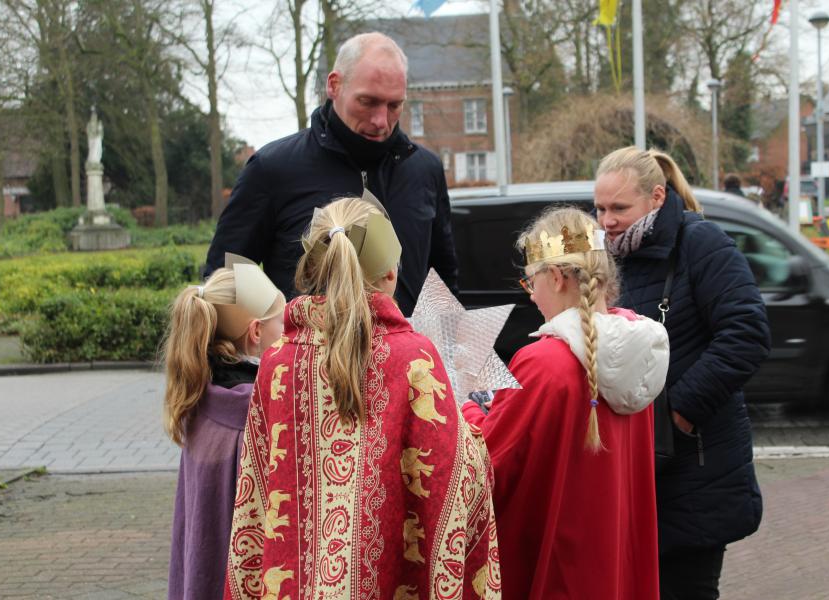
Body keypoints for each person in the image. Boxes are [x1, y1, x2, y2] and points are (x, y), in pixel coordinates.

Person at [224, 196, 500, 600]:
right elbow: (452, 481)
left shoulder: (277, 361)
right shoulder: (415, 357)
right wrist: (471, 427)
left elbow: (255, 487)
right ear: (392, 270)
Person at [462, 206, 669, 599]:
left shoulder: (545, 363)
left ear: (555, 277)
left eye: (530, 282)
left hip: (558, 570)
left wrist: (468, 405)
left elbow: (489, 467)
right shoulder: (636, 348)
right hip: (613, 568)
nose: (533, 296)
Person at [594, 146, 771, 600]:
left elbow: (747, 334)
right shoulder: (607, 256)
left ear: (656, 197)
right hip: (637, 464)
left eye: (618, 208)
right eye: (599, 208)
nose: (606, 220)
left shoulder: (701, 243)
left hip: (695, 468)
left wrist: (679, 414)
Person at [204, 32, 457, 317]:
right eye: (368, 102)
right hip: (307, 360)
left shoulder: (425, 170)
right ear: (334, 85)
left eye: (394, 105)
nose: (380, 120)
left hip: (407, 359)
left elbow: (445, 279)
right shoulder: (272, 169)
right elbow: (225, 281)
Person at [165, 255, 286, 600]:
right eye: (282, 323)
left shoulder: (200, 395)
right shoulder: (256, 411)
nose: (289, 332)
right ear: (257, 332)